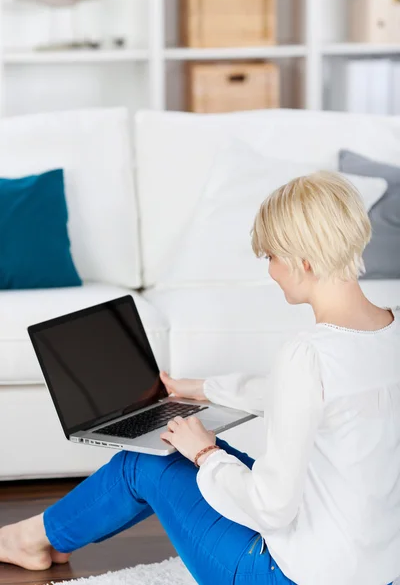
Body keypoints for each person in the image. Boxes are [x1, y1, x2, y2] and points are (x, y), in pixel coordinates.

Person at [0, 171, 399, 585]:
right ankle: (47, 537)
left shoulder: (308, 354)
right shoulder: (390, 332)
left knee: (150, 458)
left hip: (289, 577)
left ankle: (29, 538)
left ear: (304, 262)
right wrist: (198, 389)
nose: (272, 272)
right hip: (377, 572)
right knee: (189, 449)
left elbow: (272, 507)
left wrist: (206, 455)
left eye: (272, 258)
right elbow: (315, 396)